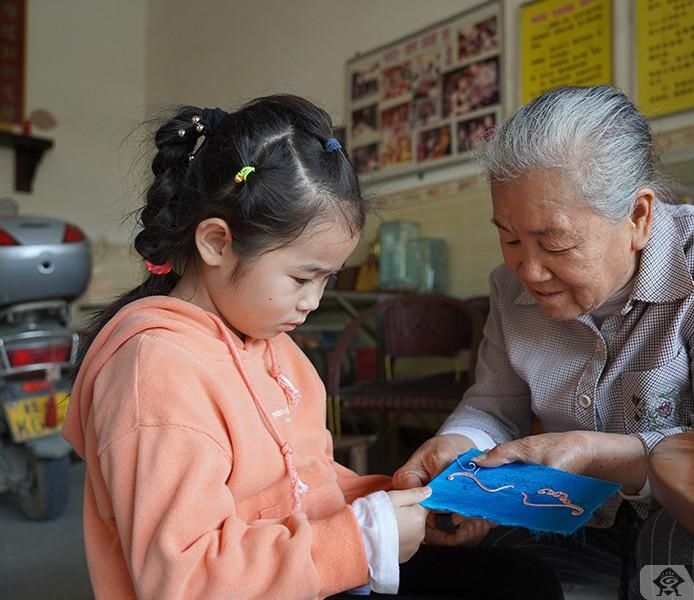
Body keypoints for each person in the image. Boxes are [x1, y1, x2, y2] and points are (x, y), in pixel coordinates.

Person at [64, 94, 564, 600]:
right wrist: (366, 536)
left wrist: (405, 503)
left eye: (328, 279)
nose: (312, 302)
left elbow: (306, 487)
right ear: (216, 242)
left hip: (314, 577)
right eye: (303, 277)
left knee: (524, 581)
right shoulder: (156, 372)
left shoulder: (278, 350)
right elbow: (186, 580)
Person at [393, 86, 694, 598]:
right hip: (574, 514)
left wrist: (592, 452)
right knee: (484, 566)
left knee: (679, 555)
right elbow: (494, 404)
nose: (528, 269)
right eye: (509, 238)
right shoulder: (510, 291)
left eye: (555, 242)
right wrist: (459, 445)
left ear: (638, 217)